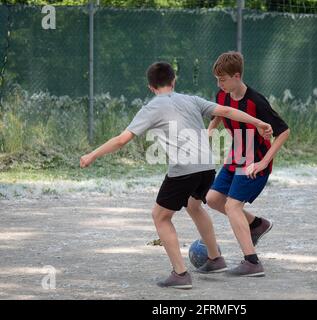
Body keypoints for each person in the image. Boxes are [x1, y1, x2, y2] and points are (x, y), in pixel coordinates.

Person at [80, 62, 273, 289]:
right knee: (194, 205)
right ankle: (215, 258)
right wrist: (258, 122)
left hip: (185, 170)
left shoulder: (151, 107)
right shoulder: (190, 99)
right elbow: (226, 111)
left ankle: (180, 275)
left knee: (160, 216)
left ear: (151, 87)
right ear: (173, 81)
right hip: (206, 167)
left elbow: (122, 139)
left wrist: (92, 155)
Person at [204, 51, 290, 277]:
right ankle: (257, 225)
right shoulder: (221, 95)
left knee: (232, 206)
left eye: (223, 79)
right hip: (235, 158)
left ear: (237, 76)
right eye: (217, 79)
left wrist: (262, 163)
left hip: (254, 162)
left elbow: (284, 131)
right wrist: (210, 131)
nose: (219, 83)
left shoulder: (256, 101)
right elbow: (220, 113)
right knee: (212, 199)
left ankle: (252, 262)